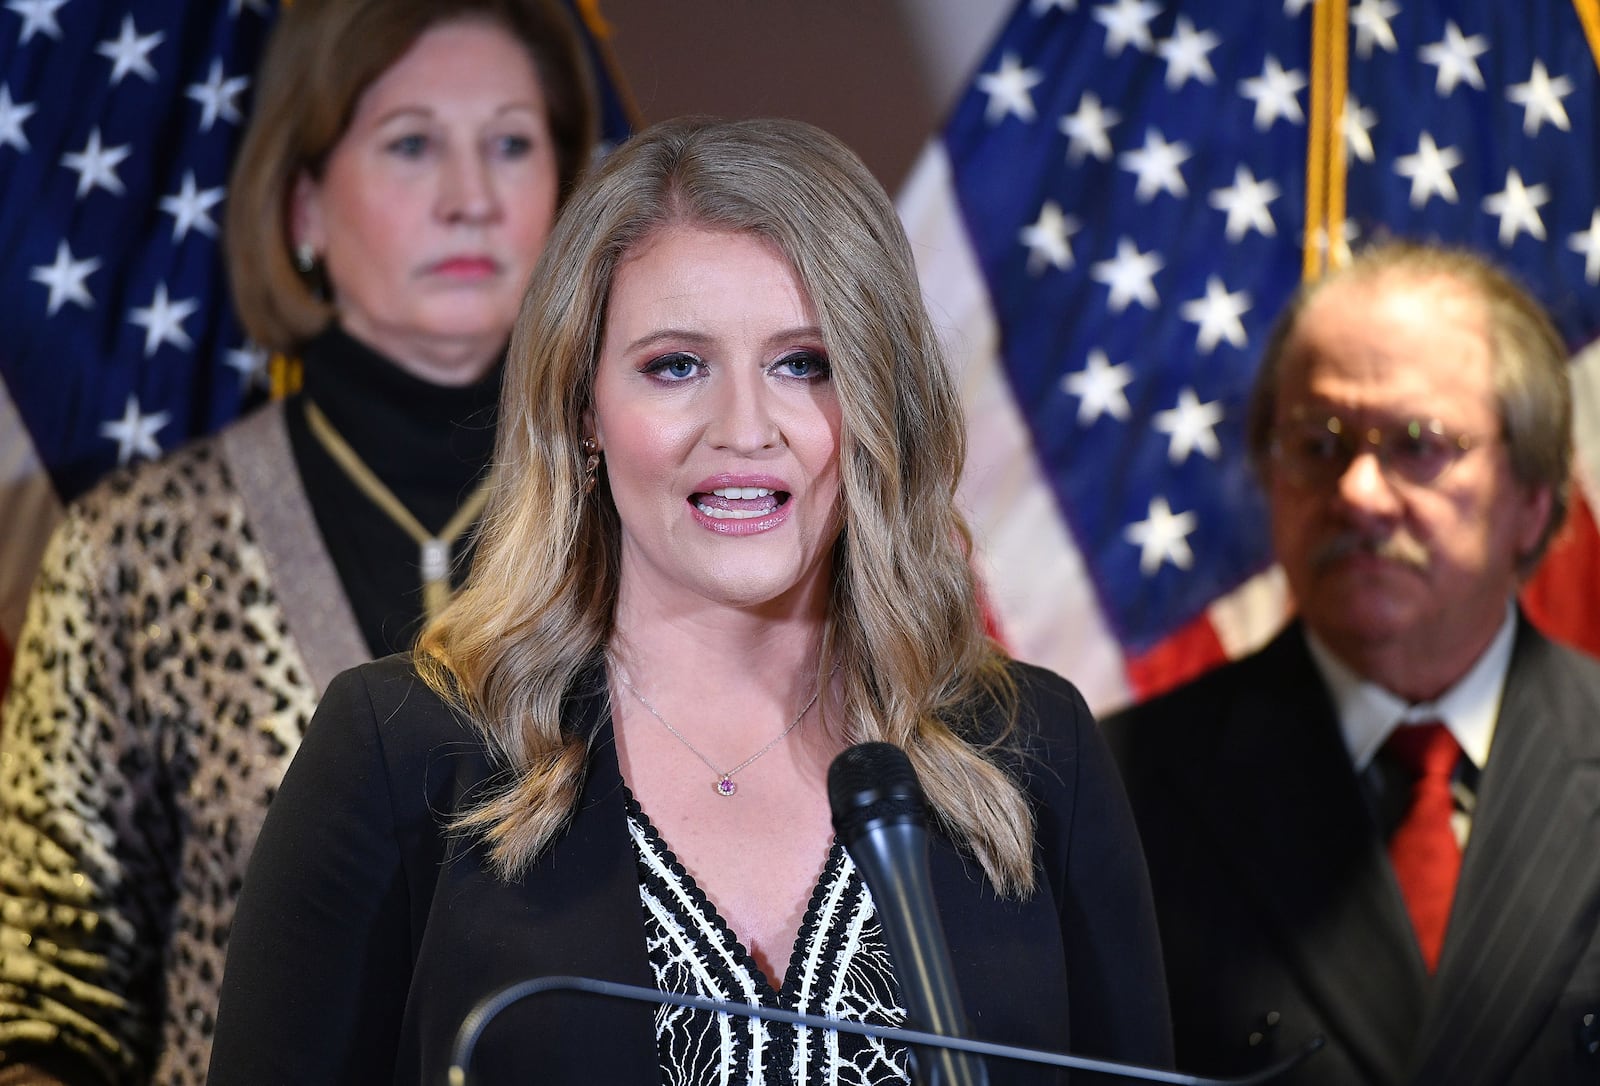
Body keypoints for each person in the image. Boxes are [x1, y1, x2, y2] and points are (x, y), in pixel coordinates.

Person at [205, 116, 1173, 1084]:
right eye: (675, 366)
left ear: (880, 399)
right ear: (581, 407)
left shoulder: (1028, 749)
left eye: (805, 364)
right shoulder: (403, 750)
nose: (745, 429)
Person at [0, 1, 597, 1081]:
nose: (472, 200)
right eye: (412, 144)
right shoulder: (136, 548)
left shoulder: (649, 526)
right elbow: (45, 993)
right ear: (305, 207)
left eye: (511, 143)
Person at [1104, 241, 1600, 1085]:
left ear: (1533, 499)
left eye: (1419, 443)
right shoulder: (1116, 793)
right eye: (1320, 441)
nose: (1360, 491)